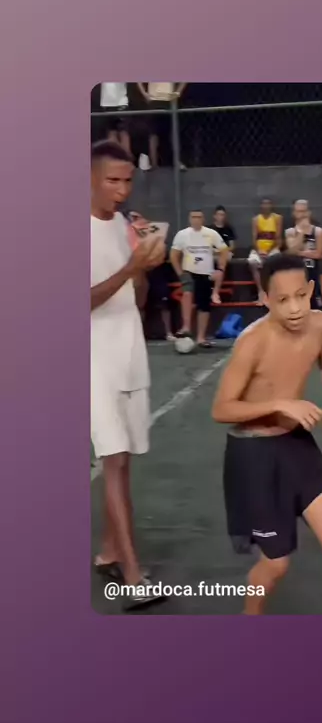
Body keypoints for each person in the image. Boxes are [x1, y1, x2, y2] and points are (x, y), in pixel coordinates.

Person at [212, 253, 322, 616]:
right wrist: (280, 403)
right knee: (276, 564)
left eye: (300, 296)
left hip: (296, 445)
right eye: (282, 299)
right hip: (253, 455)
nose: (294, 308)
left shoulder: (321, 324)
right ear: (265, 299)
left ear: (310, 290)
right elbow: (222, 409)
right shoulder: (253, 342)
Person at [90, 140, 168, 609]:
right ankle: (134, 577)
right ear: (89, 179)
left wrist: (143, 264)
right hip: (92, 359)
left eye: (127, 181)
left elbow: (136, 300)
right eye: (111, 180)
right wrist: (129, 268)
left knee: (123, 462)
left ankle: (109, 552)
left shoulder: (123, 225)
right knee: (115, 462)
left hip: (129, 352)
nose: (121, 190)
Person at [170, 211, 230, 346]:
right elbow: (173, 255)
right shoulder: (182, 234)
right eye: (193, 217)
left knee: (204, 305)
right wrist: (180, 273)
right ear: (189, 219)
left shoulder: (211, 233)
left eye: (199, 217)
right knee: (187, 293)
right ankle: (186, 326)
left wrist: (220, 268)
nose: (196, 220)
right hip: (188, 271)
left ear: (203, 219)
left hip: (206, 273)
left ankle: (201, 337)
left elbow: (224, 250)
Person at [285, 199, 322, 309]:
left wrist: (300, 253)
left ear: (309, 212)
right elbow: (292, 251)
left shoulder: (318, 232)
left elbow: (318, 254)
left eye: (303, 211)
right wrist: (301, 232)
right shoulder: (290, 232)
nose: (301, 215)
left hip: (312, 275)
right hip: (295, 275)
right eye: (298, 211)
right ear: (294, 213)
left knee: (315, 309)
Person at [136, 83, 187, 169]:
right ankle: (154, 163)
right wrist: (144, 94)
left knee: (172, 132)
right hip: (154, 100)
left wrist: (178, 92)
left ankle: (175, 161)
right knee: (153, 133)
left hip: (169, 99)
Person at [247, 198, 283, 303]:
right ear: (261, 206)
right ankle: (261, 292)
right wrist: (259, 252)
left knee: (275, 262)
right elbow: (254, 238)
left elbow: (278, 238)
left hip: (273, 248)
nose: (266, 206)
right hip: (259, 249)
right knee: (252, 262)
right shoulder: (256, 219)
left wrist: (268, 252)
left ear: (271, 206)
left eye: (268, 204)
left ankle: (273, 293)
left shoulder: (277, 218)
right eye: (264, 204)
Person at [210, 205, 236, 296]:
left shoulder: (229, 229)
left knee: (224, 258)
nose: (221, 217)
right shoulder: (209, 229)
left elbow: (232, 246)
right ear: (214, 216)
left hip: (225, 252)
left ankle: (216, 290)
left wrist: (223, 251)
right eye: (219, 214)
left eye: (222, 215)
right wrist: (214, 251)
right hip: (213, 252)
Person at [100, 83, 131, 154]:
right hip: (107, 103)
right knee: (112, 132)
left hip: (120, 103)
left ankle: (126, 158)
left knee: (123, 132)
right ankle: (114, 157)